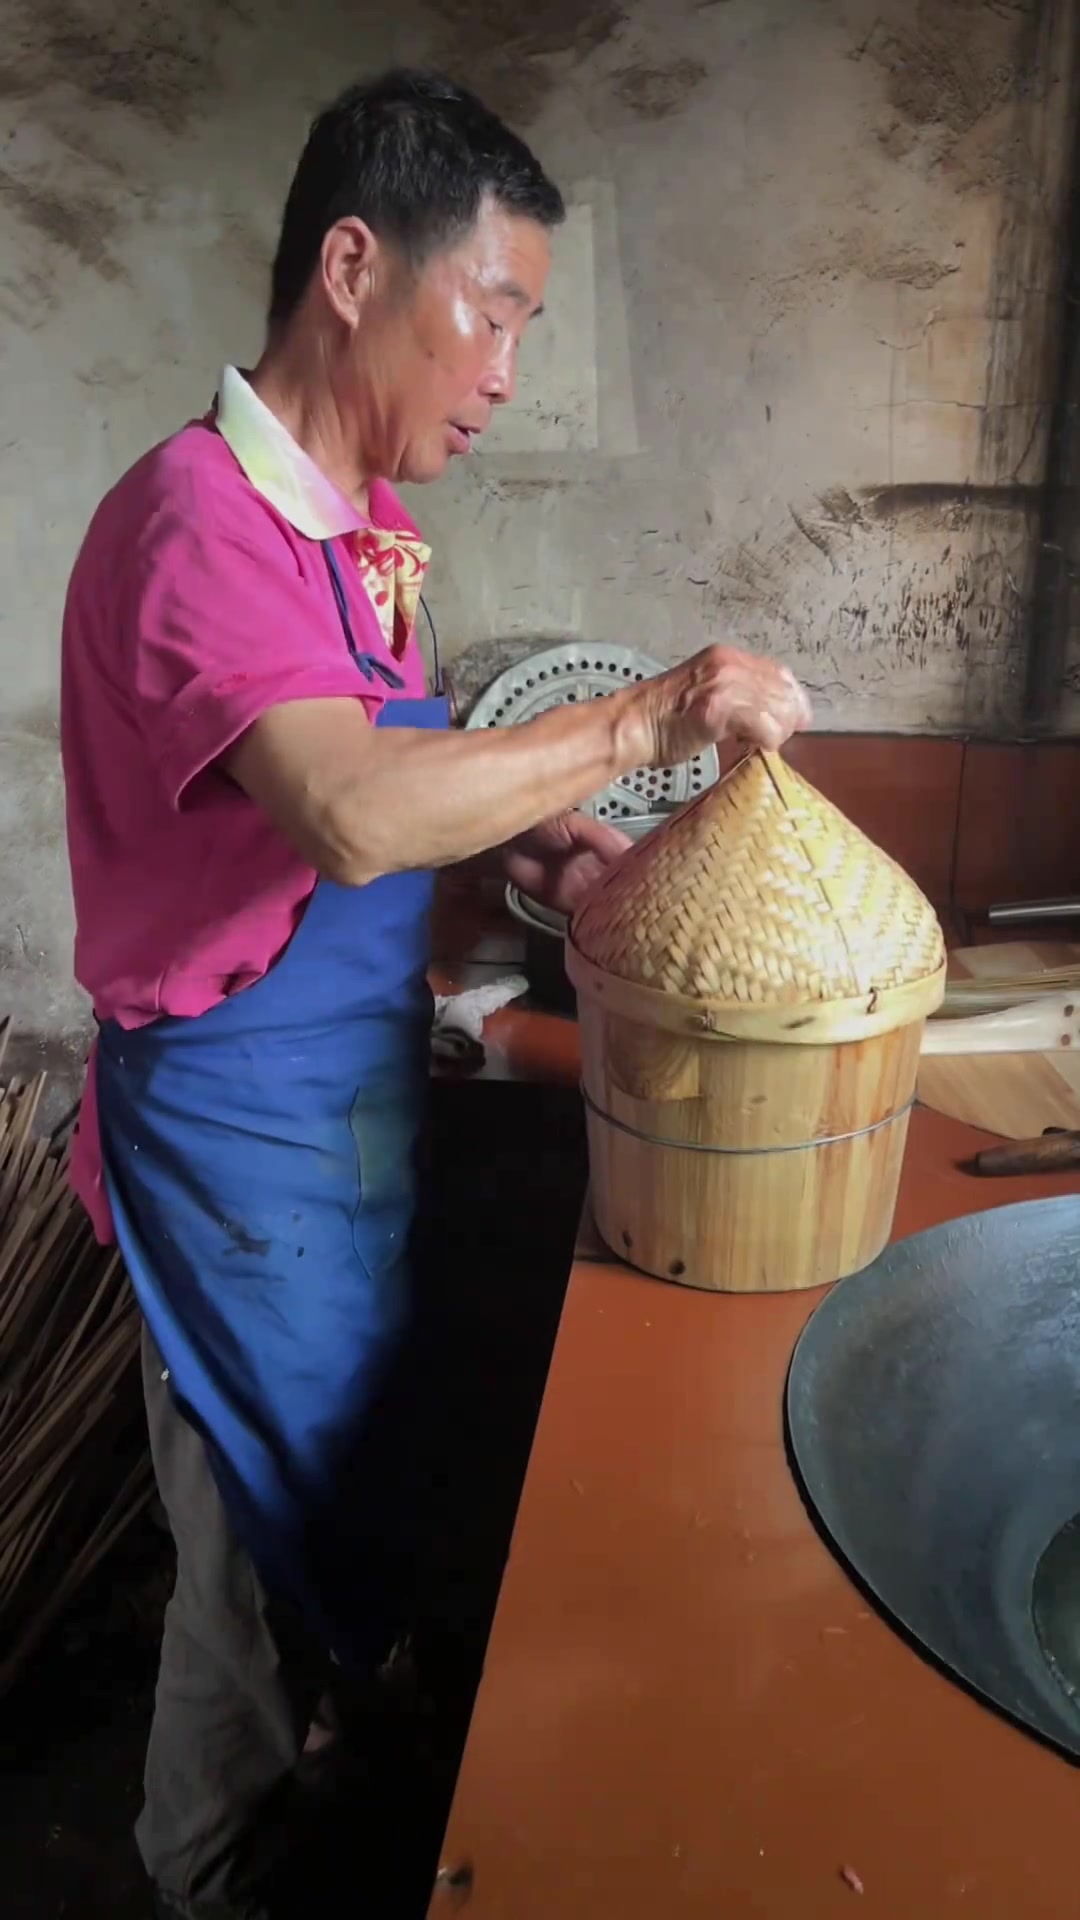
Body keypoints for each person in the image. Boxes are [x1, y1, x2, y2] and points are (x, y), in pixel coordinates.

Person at [60, 67, 811, 1920]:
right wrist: (637, 715)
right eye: (489, 308)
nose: (503, 368)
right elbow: (344, 803)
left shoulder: (362, 533)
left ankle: (340, 1764)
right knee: (235, 1583)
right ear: (350, 266)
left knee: (339, 1513)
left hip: (340, 1134)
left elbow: (380, 814)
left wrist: (531, 859)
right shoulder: (199, 526)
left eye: (524, 327)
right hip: (232, 1161)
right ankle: (203, 1873)